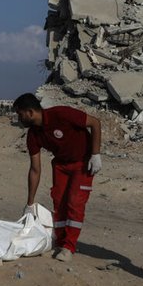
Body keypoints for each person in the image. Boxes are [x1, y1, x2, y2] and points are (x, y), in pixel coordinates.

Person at [13, 93, 102, 262]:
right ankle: (60, 242)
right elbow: (35, 169)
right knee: (59, 202)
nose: (19, 118)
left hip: (82, 163)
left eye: (20, 114)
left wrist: (95, 154)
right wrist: (30, 203)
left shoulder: (61, 114)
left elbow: (95, 123)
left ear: (30, 112)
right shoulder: (33, 135)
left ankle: (69, 246)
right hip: (61, 165)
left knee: (75, 203)